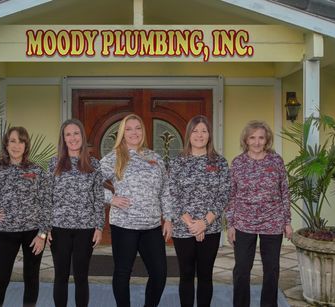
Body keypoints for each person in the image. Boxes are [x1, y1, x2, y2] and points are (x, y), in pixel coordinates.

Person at [0, 126, 50, 307]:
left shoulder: (36, 170)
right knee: (1, 278)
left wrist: (43, 234)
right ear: (6, 144)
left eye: (21, 141)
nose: (17, 145)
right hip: (6, 232)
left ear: (26, 145)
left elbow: (47, 203)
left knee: (31, 278)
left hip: (33, 234)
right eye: (13, 141)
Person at [99, 113, 173, 307]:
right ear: (123, 133)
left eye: (138, 128)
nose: (134, 132)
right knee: (123, 273)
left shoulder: (154, 157)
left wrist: (169, 218)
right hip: (124, 225)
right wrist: (111, 199)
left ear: (143, 131)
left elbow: (165, 189)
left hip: (152, 226)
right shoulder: (114, 157)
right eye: (129, 129)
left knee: (159, 274)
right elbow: (90, 185)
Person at [225, 120, 293, 307]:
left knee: (271, 269)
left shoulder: (276, 160)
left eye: (261, 138)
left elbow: (284, 191)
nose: (256, 142)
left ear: (267, 139)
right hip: (243, 222)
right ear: (246, 140)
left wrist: (287, 221)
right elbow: (231, 195)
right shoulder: (238, 163)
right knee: (242, 269)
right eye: (252, 138)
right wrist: (230, 224)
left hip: (273, 222)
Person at [169, 115, 230, 307]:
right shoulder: (177, 162)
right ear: (189, 134)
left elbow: (224, 195)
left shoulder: (219, 162)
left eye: (204, 131)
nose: (199, 135)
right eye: (195, 131)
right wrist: (191, 223)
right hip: (182, 228)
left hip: (210, 229)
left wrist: (204, 222)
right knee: (186, 274)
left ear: (209, 135)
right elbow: (172, 194)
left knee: (205, 274)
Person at [47, 119, 105, 307]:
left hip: (85, 229)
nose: (72, 138)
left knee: (81, 277)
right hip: (58, 228)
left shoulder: (94, 165)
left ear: (82, 136)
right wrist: (44, 228)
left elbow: (98, 197)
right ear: (63, 139)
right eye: (68, 134)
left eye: (76, 133)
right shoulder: (54, 164)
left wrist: (99, 226)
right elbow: (47, 198)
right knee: (61, 276)